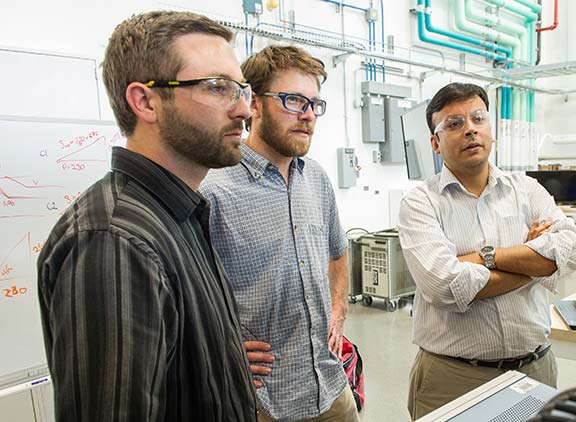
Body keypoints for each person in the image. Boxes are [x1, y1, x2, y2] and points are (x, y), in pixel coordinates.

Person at [36, 11, 257, 421]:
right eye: (218, 87)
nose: (244, 109)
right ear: (146, 102)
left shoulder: (181, 213)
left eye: (241, 89)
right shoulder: (115, 241)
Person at [398, 82, 576, 419]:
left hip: (536, 370)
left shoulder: (526, 189)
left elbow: (570, 251)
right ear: (435, 143)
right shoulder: (420, 202)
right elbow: (445, 286)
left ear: (491, 129)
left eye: (478, 118)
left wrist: (486, 257)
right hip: (455, 378)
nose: (470, 129)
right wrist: (535, 260)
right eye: (454, 124)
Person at [200, 45, 357, 422]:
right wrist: (218, 348)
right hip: (262, 401)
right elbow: (182, 297)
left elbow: (338, 250)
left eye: (315, 104)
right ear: (253, 103)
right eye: (293, 100)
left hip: (330, 385)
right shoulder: (212, 190)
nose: (307, 115)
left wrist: (338, 309)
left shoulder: (316, 178)